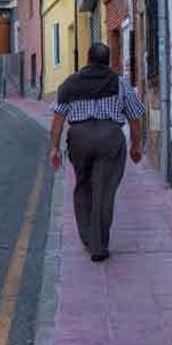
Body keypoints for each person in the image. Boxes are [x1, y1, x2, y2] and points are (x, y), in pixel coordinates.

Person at [48, 43, 146, 262]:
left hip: (79, 138)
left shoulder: (70, 84)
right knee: (104, 189)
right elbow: (135, 118)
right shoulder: (120, 83)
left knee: (83, 185)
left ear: (87, 58)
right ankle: (99, 245)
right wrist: (136, 146)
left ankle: (87, 236)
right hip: (109, 138)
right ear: (108, 60)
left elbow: (58, 120)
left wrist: (54, 148)